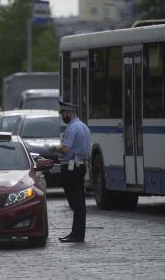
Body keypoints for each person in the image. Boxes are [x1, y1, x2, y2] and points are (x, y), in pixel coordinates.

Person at [50, 101, 91, 243]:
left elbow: (66, 149)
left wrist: (54, 148)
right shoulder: (84, 126)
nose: (62, 116)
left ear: (69, 112)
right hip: (80, 166)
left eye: (63, 113)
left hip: (71, 167)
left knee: (75, 202)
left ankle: (77, 234)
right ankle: (76, 233)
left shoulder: (72, 128)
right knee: (80, 202)